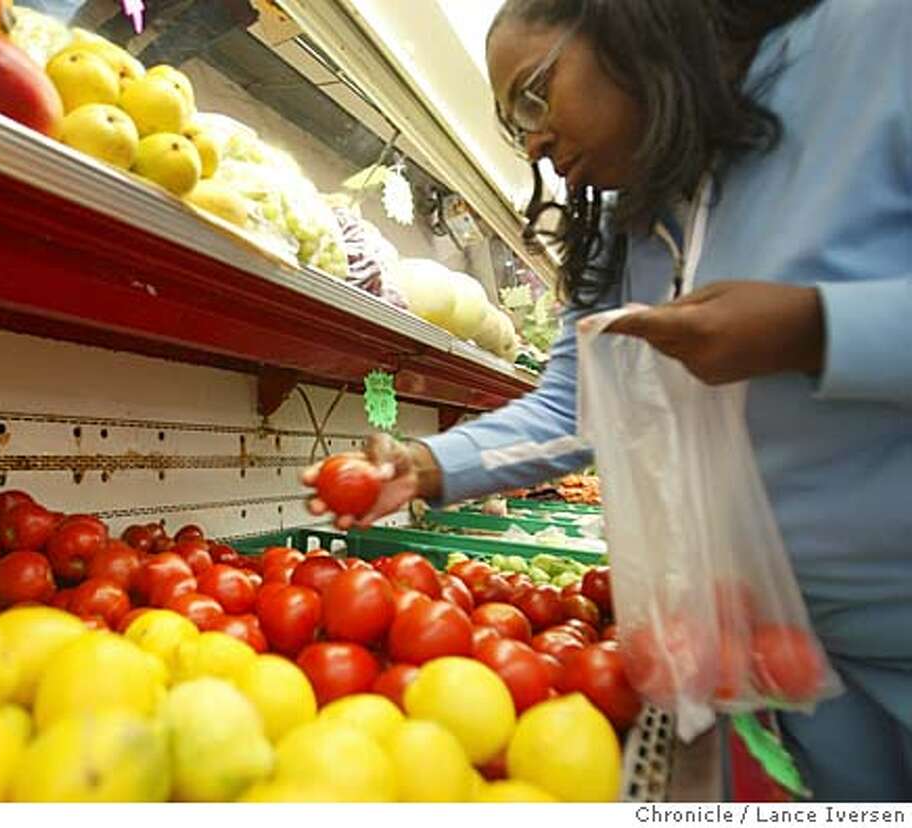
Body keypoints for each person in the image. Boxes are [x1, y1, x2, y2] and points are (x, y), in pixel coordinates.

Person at [304, 0, 911, 802]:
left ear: (627, 21)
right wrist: (424, 466)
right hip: (790, 652)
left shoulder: (875, 41)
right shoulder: (634, 224)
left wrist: (815, 329)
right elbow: (574, 409)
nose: (532, 141)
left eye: (533, 96)